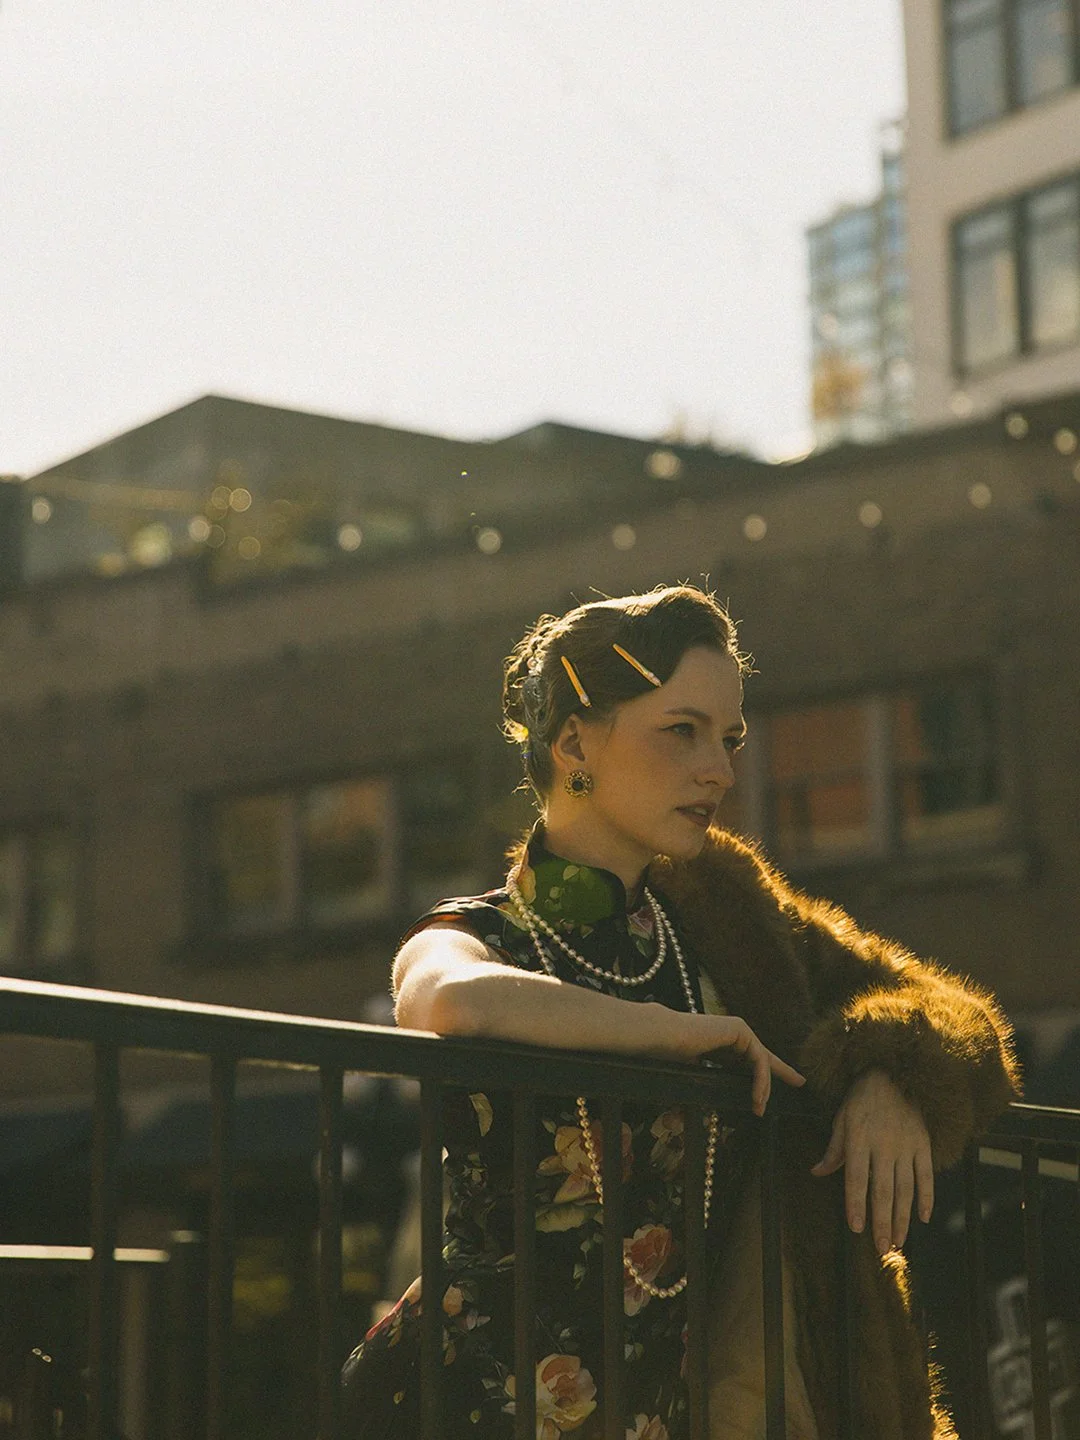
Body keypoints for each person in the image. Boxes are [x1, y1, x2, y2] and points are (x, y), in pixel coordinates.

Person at [341, 585, 1019, 1440]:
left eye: (728, 738)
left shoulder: (728, 922)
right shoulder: (482, 932)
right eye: (682, 731)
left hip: (669, 1412)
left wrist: (885, 1068)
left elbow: (951, 1012)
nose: (720, 770)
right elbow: (443, 997)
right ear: (576, 741)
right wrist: (691, 1036)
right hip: (464, 1404)